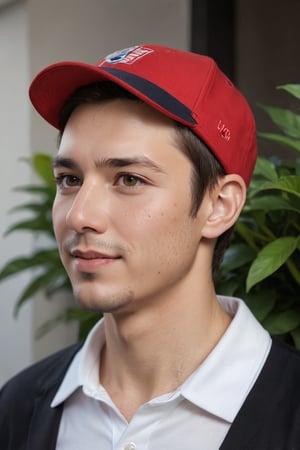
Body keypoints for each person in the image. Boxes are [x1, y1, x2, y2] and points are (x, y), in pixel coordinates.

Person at [1, 44, 300, 450]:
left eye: (129, 179)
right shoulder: (19, 407)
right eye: (69, 179)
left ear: (219, 206)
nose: (79, 216)